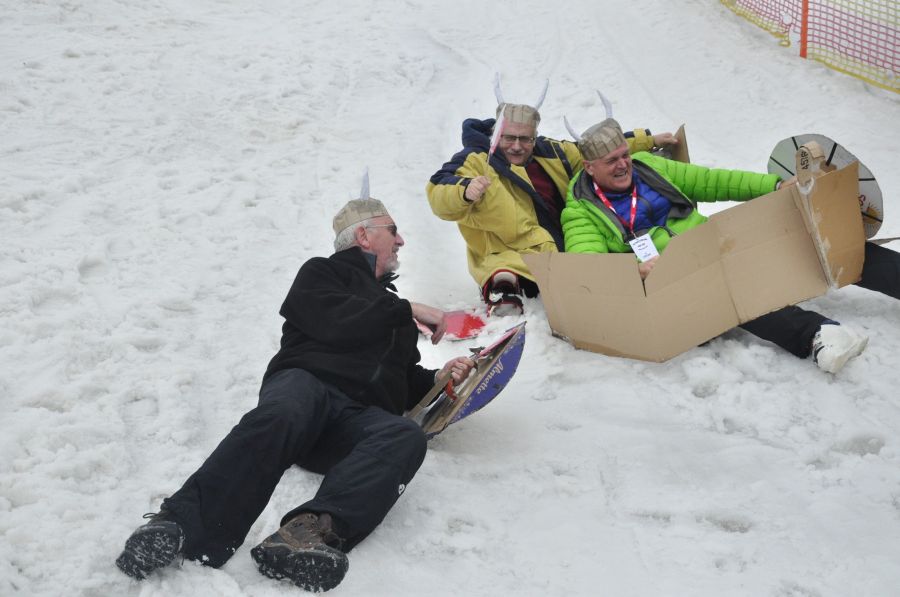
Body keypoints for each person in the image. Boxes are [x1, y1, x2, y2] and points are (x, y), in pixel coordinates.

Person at [115, 198, 476, 592]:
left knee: (404, 436)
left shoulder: (396, 313)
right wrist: (404, 309)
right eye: (393, 231)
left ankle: (307, 536)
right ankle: (181, 527)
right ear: (363, 236)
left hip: (354, 421)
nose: (402, 240)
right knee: (285, 413)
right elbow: (336, 324)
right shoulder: (323, 273)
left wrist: (439, 378)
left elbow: (402, 382)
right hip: (307, 387)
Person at [560, 118, 898, 373]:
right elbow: (589, 269)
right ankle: (816, 335)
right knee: (728, 293)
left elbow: (711, 181)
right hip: (671, 278)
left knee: (813, 237)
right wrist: (637, 270)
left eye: (624, 155)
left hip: (712, 244)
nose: (623, 165)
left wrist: (776, 186)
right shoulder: (580, 210)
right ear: (589, 168)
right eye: (611, 162)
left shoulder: (650, 167)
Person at [426, 96, 677, 316]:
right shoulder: (475, 159)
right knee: (505, 270)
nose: (517, 145)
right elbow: (438, 191)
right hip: (512, 252)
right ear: (496, 134)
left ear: (534, 138)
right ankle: (503, 293)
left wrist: (647, 140)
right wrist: (465, 192)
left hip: (566, 246)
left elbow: (593, 152)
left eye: (525, 139)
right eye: (509, 138)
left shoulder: (551, 151)